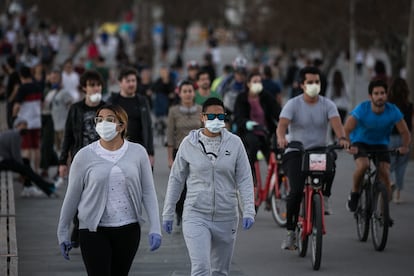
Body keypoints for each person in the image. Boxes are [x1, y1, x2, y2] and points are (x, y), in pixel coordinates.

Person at [57, 104, 161, 275]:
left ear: (121, 125)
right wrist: (62, 231)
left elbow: (148, 192)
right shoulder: (84, 156)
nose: (103, 123)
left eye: (110, 120)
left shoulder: (138, 152)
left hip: (128, 229)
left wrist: (155, 227)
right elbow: (72, 197)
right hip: (93, 230)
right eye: (99, 120)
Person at [162, 97, 255, 276]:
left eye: (220, 116)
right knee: (201, 269)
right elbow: (176, 179)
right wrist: (168, 212)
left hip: (226, 216)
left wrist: (249, 209)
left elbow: (244, 178)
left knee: (220, 271)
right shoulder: (189, 144)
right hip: (196, 214)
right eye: (211, 116)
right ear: (202, 117)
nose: (216, 120)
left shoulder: (235, 143)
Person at [276, 66, 350, 250]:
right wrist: (281, 138)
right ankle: (291, 232)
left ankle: (324, 197)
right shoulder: (293, 104)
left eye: (317, 82)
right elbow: (282, 125)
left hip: (319, 150)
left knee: (332, 160)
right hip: (296, 151)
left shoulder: (328, 104)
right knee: (295, 191)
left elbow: (337, 125)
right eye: (310, 82)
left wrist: (342, 138)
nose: (314, 85)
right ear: (302, 85)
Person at [344, 79, 411, 214]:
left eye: (382, 93)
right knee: (363, 166)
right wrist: (348, 144)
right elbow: (347, 129)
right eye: (376, 93)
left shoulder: (393, 111)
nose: (380, 96)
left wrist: (405, 146)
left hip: (381, 143)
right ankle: (355, 194)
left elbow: (405, 132)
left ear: (386, 95)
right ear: (370, 96)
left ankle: (383, 214)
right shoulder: (362, 109)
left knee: (385, 173)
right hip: (360, 142)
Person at [58, 70, 106, 247]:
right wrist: (63, 161)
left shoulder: (107, 108)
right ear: (85, 88)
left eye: (98, 85)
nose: (96, 88)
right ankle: (78, 227)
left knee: (97, 195)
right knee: (78, 195)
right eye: (92, 85)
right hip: (80, 159)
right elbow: (68, 136)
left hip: (102, 159)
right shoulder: (76, 109)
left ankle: (91, 230)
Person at [233, 71, 280, 186]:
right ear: (248, 84)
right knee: (252, 146)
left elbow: (278, 112)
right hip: (248, 133)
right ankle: (250, 175)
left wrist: (284, 124)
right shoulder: (241, 98)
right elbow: (238, 117)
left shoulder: (266, 96)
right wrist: (248, 123)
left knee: (276, 157)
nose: (258, 84)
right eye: (255, 82)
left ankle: (273, 188)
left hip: (265, 132)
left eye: (259, 81)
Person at [166, 80, 202, 227]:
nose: (188, 94)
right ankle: (180, 214)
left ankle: (196, 214)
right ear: (179, 94)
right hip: (180, 153)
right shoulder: (173, 111)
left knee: (197, 185)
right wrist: (169, 158)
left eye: (190, 91)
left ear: (194, 93)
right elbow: (169, 135)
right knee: (181, 186)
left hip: (199, 152)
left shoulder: (201, 109)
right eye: (185, 91)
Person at [107, 67, 154, 167]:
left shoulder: (142, 101)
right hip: (117, 150)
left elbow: (148, 127)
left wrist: (150, 152)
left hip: (139, 149)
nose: (131, 84)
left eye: (133, 80)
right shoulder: (113, 101)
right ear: (120, 83)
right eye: (128, 81)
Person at [0, 118, 56, 197]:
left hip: (4, 159)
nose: (26, 127)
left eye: (26, 125)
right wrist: (22, 170)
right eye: (23, 125)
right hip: (2, 160)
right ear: (17, 126)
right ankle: (45, 187)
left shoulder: (14, 134)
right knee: (25, 169)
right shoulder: (16, 135)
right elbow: (16, 156)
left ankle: (28, 186)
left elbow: (14, 156)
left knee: (26, 162)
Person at [12, 66, 42, 174]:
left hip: (25, 122)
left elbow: (16, 106)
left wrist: (14, 117)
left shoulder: (22, 88)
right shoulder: (37, 86)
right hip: (37, 121)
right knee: (36, 147)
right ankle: (37, 170)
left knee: (26, 148)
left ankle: (27, 172)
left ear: (21, 76)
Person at [388, 78, 413, 203]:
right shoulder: (409, 106)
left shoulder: (388, 106)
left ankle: (391, 181)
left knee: (387, 164)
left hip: (390, 138)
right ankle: (398, 194)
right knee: (401, 167)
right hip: (405, 139)